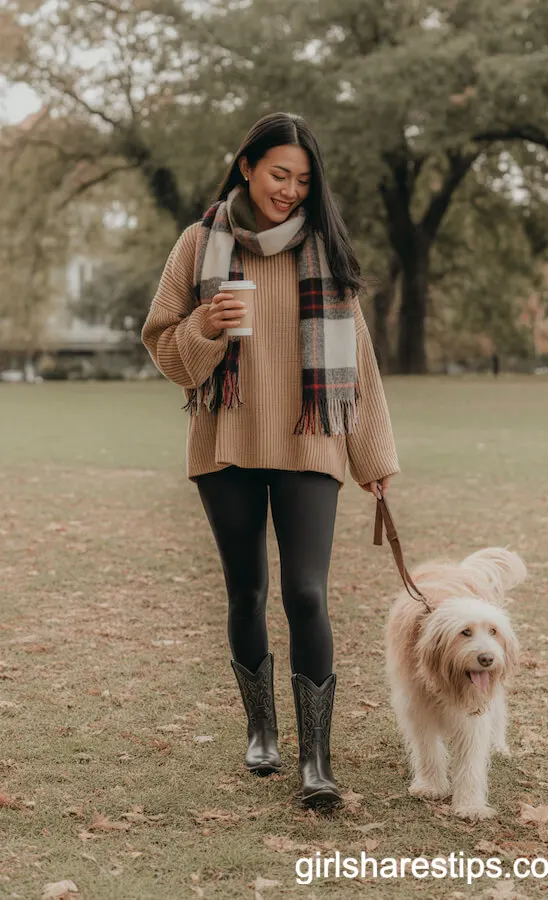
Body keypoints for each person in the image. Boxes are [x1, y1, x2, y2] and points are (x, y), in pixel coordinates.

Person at [141, 112, 399, 810]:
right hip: (225, 441)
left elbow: (361, 366)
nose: (290, 190)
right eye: (280, 174)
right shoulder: (199, 243)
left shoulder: (325, 248)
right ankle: (263, 731)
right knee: (246, 588)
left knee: (307, 593)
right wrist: (205, 327)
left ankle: (317, 759)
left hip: (309, 439)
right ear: (247, 166)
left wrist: (373, 456)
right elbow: (163, 346)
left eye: (304, 180)